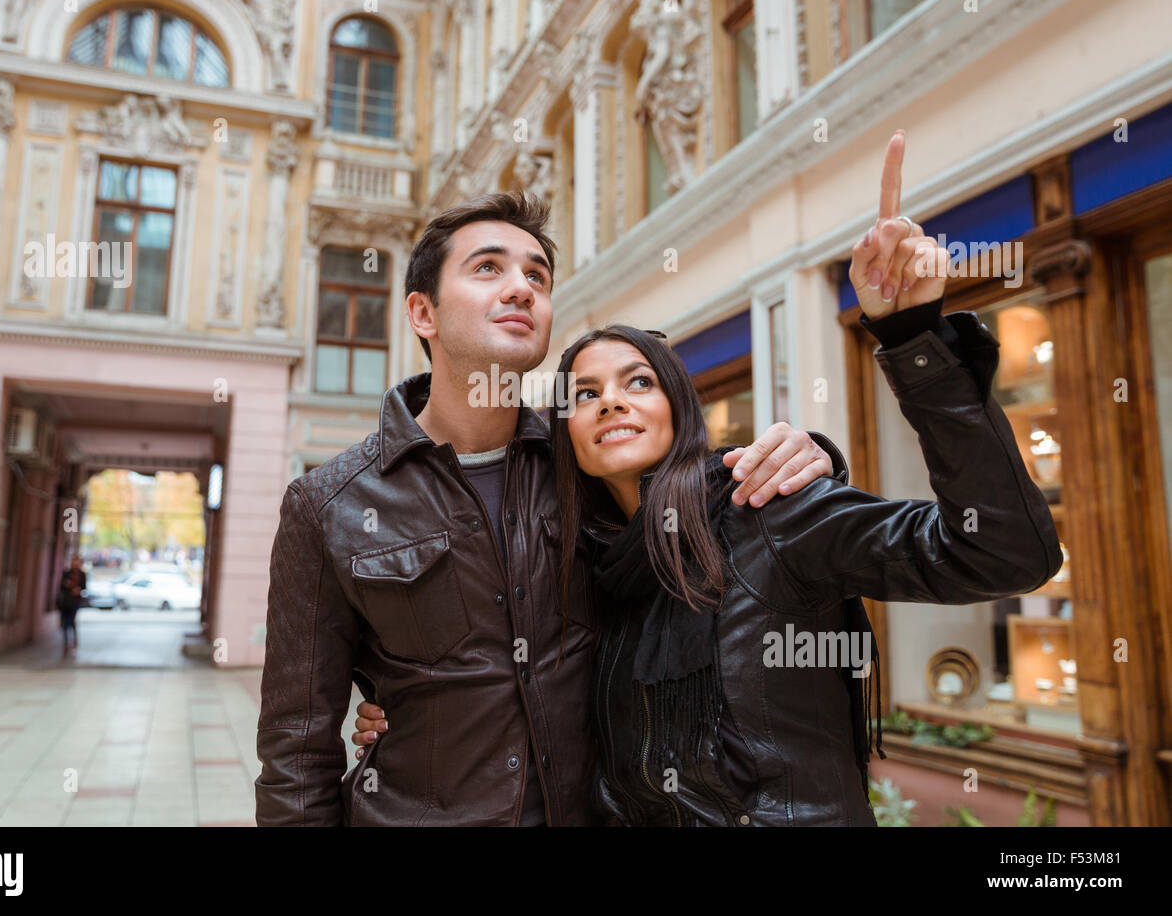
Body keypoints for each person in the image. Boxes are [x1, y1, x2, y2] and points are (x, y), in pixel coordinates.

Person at [352, 131, 1063, 825]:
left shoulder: (768, 511)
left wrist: (912, 337)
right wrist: (400, 715)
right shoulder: (582, 570)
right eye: (587, 393)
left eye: (639, 381)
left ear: (677, 408)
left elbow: (1004, 553)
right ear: (564, 432)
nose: (613, 402)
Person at [255, 191, 841, 826]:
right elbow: (296, 752)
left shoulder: (585, 469)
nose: (521, 289)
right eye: (488, 269)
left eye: (536, 275)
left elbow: (701, 493)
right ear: (422, 312)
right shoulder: (327, 505)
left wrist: (811, 457)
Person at [57, 555, 87, 657]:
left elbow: (84, 587)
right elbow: (61, 586)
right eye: (74, 561)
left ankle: (74, 639)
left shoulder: (82, 575)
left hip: (75, 601)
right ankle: (66, 642)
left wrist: (78, 590)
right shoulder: (66, 573)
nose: (75, 563)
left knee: (71, 620)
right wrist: (68, 585)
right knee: (65, 622)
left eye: (77, 561)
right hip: (66, 601)